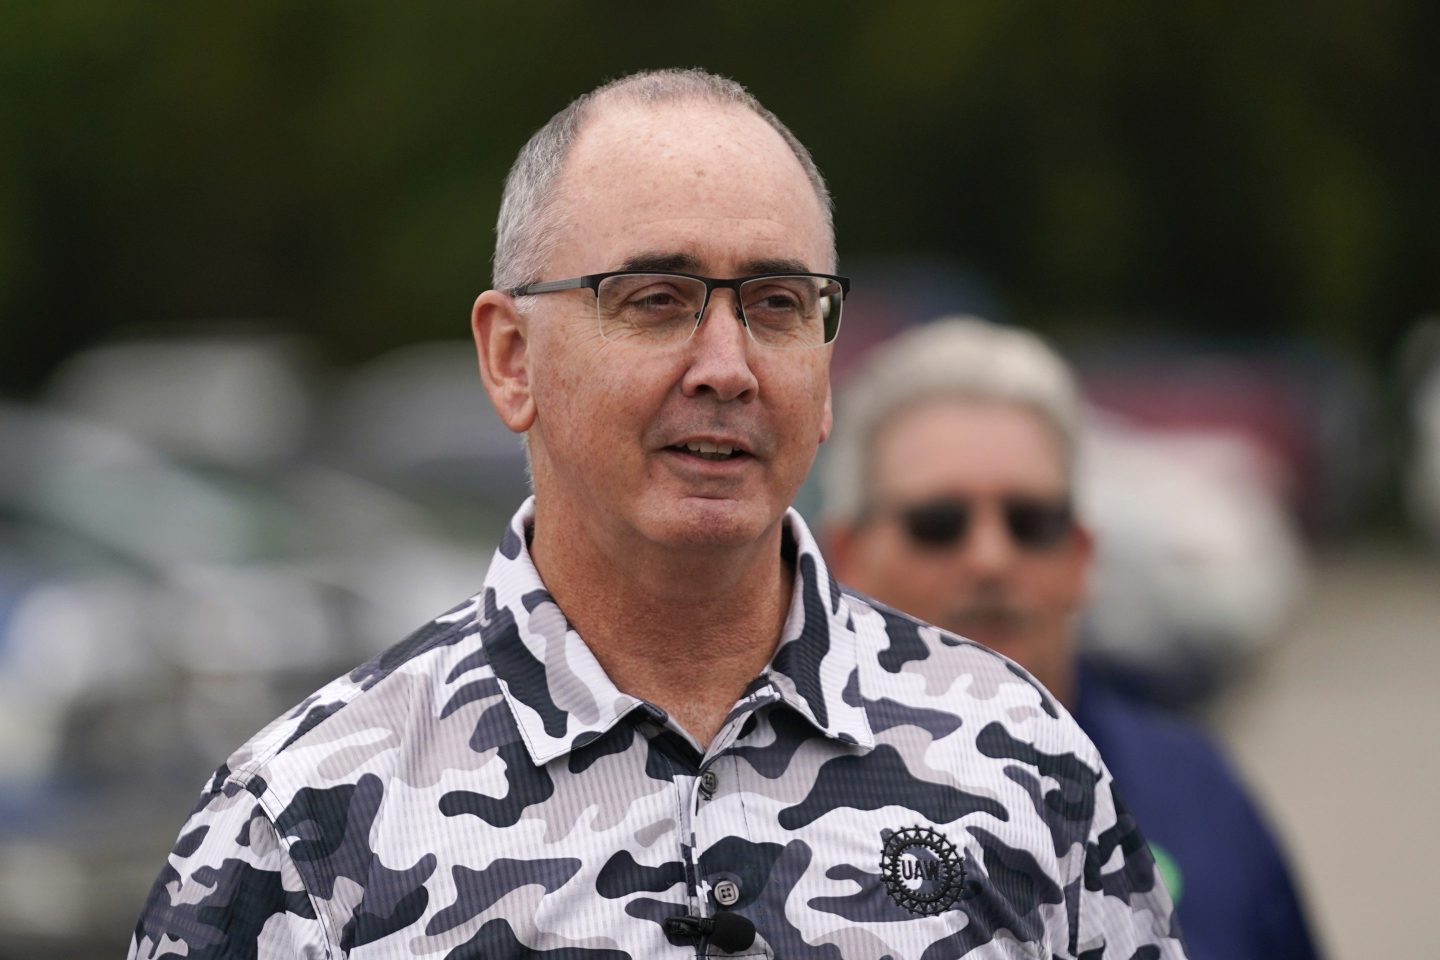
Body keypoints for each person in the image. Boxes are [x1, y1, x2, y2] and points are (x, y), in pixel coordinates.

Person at [128, 71, 1185, 959]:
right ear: (511, 359)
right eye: (655, 300)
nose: (726, 367)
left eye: (778, 303)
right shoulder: (303, 834)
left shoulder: (1017, 764)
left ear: (826, 372)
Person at [822, 316, 1319, 960]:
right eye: (939, 523)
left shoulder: (1198, 791)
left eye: (1032, 521)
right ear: (845, 559)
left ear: (1082, 556)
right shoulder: (772, 803)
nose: (991, 557)